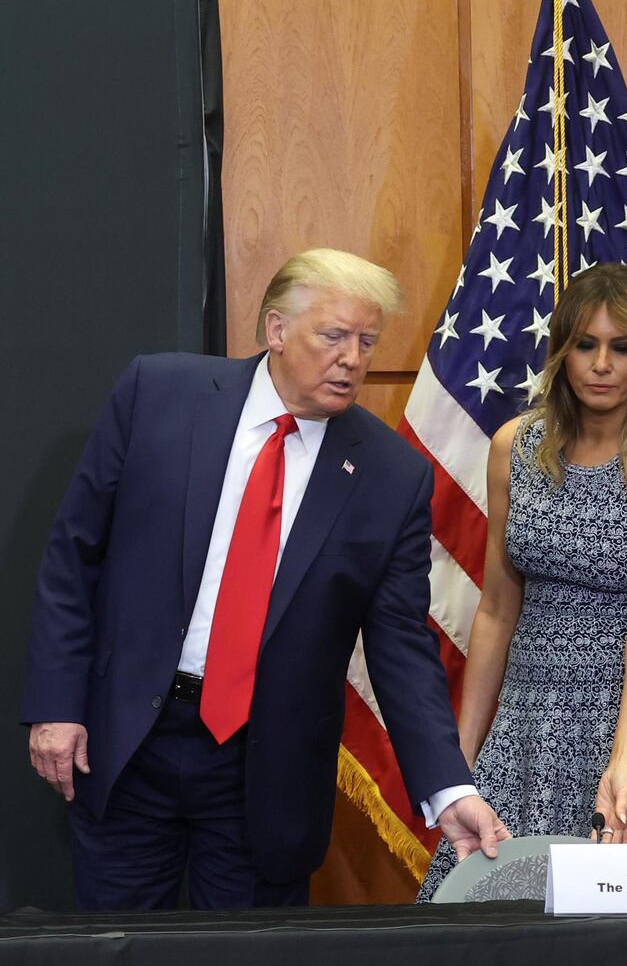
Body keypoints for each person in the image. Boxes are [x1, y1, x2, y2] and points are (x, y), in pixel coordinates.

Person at [23, 248, 509, 910]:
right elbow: (73, 556)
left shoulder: (391, 476)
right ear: (276, 330)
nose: (353, 359)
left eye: (367, 341)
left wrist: (450, 787)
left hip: (265, 768)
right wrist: (57, 705)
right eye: (333, 335)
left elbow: (401, 645)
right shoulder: (158, 395)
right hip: (131, 739)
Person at [419, 261, 627, 900]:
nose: (601, 364)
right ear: (561, 351)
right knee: (491, 921)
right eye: (585, 345)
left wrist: (623, 764)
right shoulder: (516, 445)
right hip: (529, 719)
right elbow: (496, 611)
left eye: (622, 347)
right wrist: (460, 759)